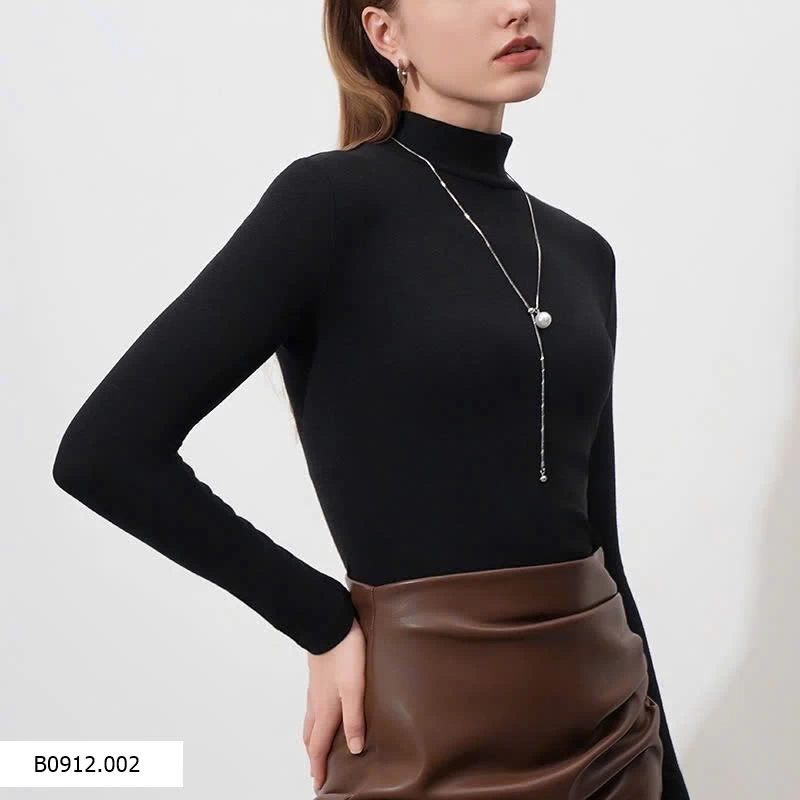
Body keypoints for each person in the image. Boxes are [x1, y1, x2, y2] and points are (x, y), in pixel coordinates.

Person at [52, 1, 691, 798]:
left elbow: (602, 542)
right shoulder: (329, 204)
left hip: (613, 734)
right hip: (425, 732)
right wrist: (318, 618)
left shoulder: (582, 253)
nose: (517, 8)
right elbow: (105, 453)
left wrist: (671, 779)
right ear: (385, 34)